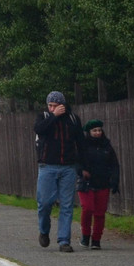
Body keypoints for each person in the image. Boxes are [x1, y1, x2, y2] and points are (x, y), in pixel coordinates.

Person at [34, 90, 85, 252]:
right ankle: (44, 231)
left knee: (67, 205)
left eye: (55, 106)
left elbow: (81, 143)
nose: (52, 108)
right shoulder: (44, 117)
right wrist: (53, 116)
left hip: (68, 167)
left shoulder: (72, 119)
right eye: (50, 105)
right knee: (44, 203)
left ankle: (64, 241)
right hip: (47, 166)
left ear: (62, 105)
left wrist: (83, 166)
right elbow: (39, 130)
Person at [78, 119, 120, 250]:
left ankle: (96, 239)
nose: (97, 133)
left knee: (100, 213)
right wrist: (81, 171)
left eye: (99, 130)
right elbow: (75, 161)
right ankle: (85, 235)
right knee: (88, 208)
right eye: (94, 130)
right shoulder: (83, 146)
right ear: (89, 132)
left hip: (103, 182)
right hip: (87, 183)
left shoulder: (107, 146)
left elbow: (114, 164)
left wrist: (114, 180)